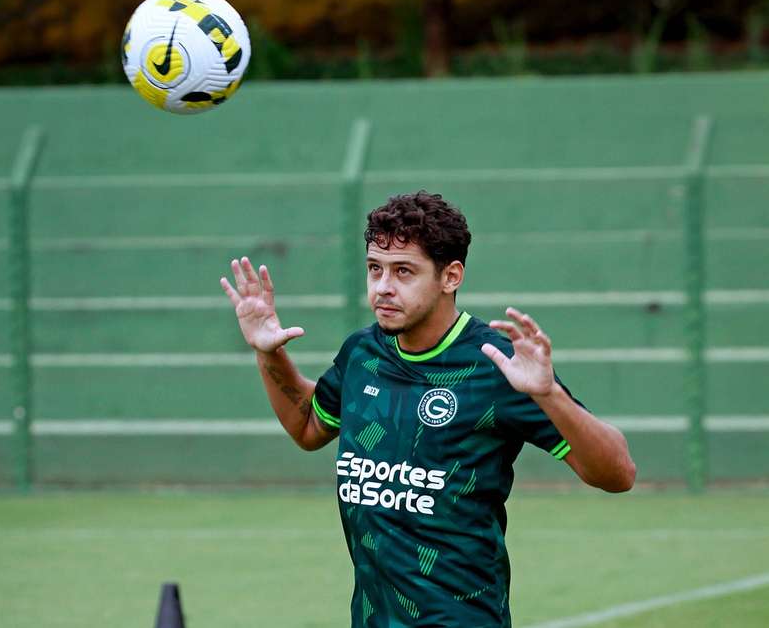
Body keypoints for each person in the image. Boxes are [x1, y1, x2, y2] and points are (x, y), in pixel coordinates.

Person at [220, 190, 636, 627]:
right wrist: (268, 352)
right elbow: (308, 427)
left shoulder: (497, 365)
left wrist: (549, 395)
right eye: (374, 269)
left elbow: (618, 474)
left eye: (403, 272)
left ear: (450, 276)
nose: (383, 287)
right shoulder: (363, 354)